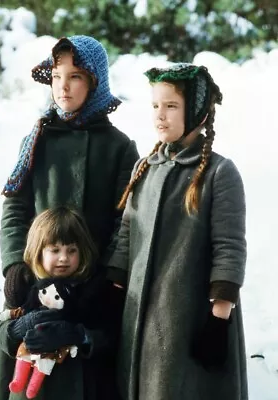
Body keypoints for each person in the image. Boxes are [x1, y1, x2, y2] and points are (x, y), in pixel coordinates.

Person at [0, 34, 139, 400]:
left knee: (85, 371)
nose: (63, 87)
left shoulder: (120, 147)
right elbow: (14, 208)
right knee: (25, 356)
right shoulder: (37, 139)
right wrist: (14, 267)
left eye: (74, 77)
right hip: (37, 277)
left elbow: (127, 219)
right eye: (57, 77)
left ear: (94, 81)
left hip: (92, 286)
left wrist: (108, 276)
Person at [104, 63, 248, 400]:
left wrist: (218, 320)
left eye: (171, 106)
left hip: (192, 318)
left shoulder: (219, 173)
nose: (160, 115)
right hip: (140, 315)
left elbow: (229, 246)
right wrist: (114, 288)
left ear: (196, 111)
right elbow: (127, 229)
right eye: (155, 106)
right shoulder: (145, 167)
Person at [0, 206, 123, 400]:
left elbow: (108, 336)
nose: (63, 258)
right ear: (39, 251)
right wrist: (21, 327)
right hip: (33, 391)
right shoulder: (27, 286)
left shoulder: (93, 289)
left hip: (80, 387)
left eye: (71, 250)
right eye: (55, 250)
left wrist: (77, 335)